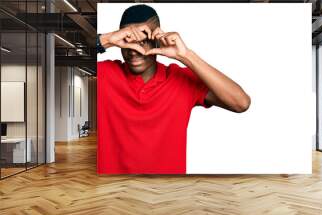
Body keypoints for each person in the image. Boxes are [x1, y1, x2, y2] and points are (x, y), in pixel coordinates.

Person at [97, 4, 251, 174]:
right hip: (114, 192)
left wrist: (185, 55)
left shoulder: (179, 78)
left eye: (143, 42)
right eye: (127, 42)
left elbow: (241, 103)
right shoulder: (105, 74)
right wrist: (107, 39)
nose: (134, 51)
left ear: (157, 39)